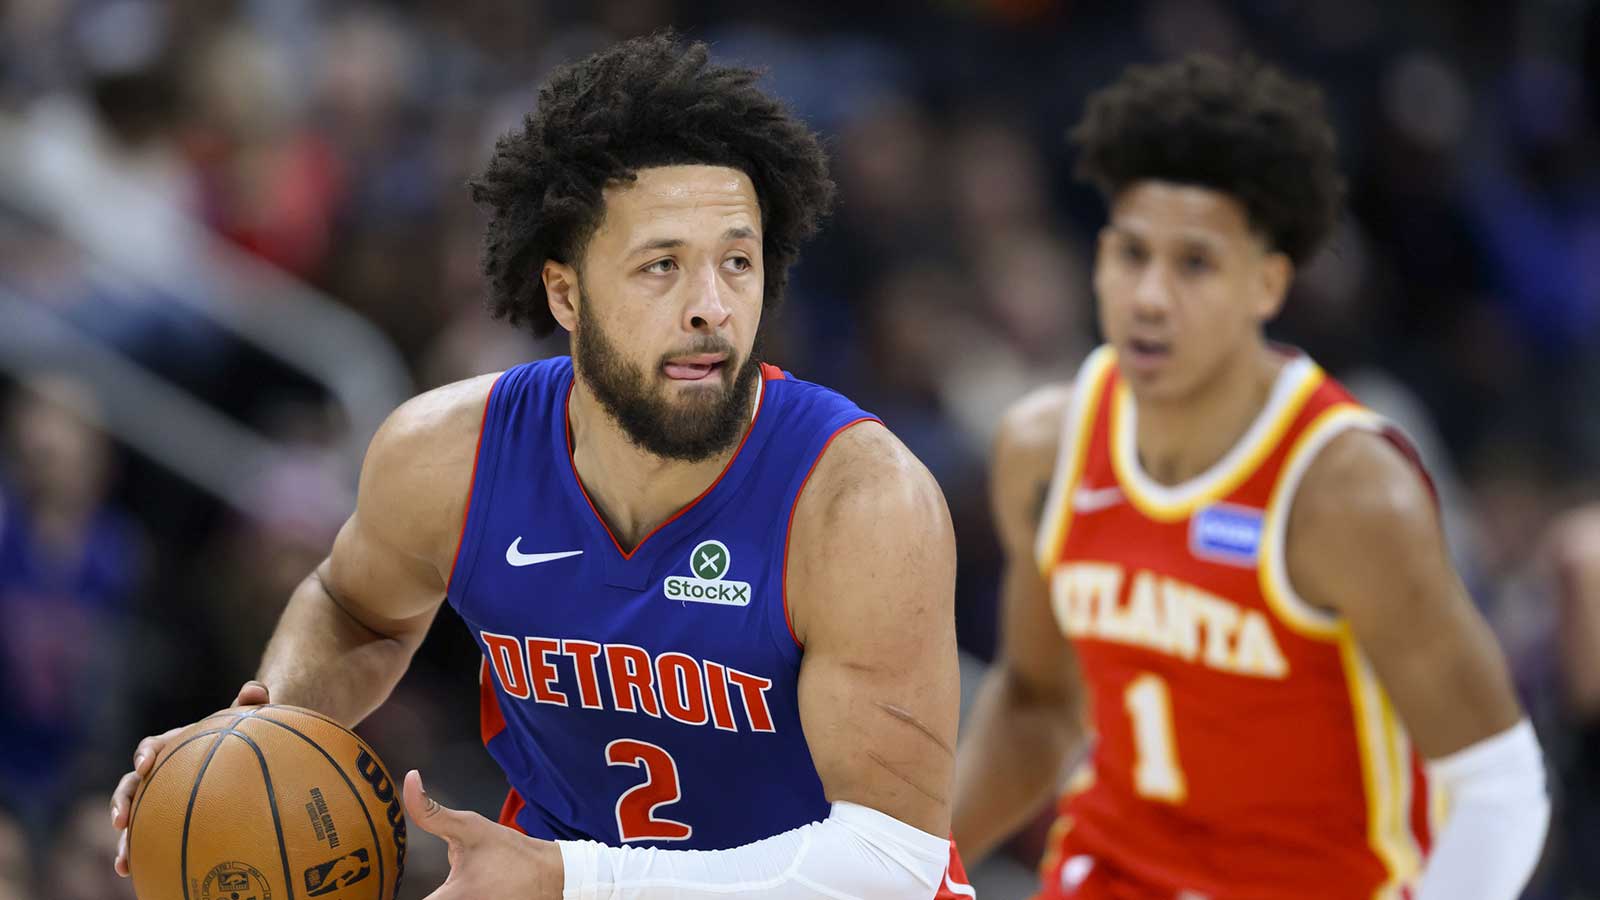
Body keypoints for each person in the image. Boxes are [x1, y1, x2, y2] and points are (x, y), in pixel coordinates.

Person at [111, 33, 972, 900]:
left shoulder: (858, 501)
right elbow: (354, 609)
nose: (711, 307)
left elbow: (889, 867)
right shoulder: (449, 457)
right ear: (565, 293)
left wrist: (572, 878)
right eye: (662, 266)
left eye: (736, 263)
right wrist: (257, 736)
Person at [951, 55, 1548, 900]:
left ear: (1266, 282)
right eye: (1131, 254)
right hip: (1116, 872)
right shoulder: (1045, 445)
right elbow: (1039, 704)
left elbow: (1499, 788)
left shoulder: (1345, 491)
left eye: (1194, 264)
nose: (1149, 297)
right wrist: (917, 869)